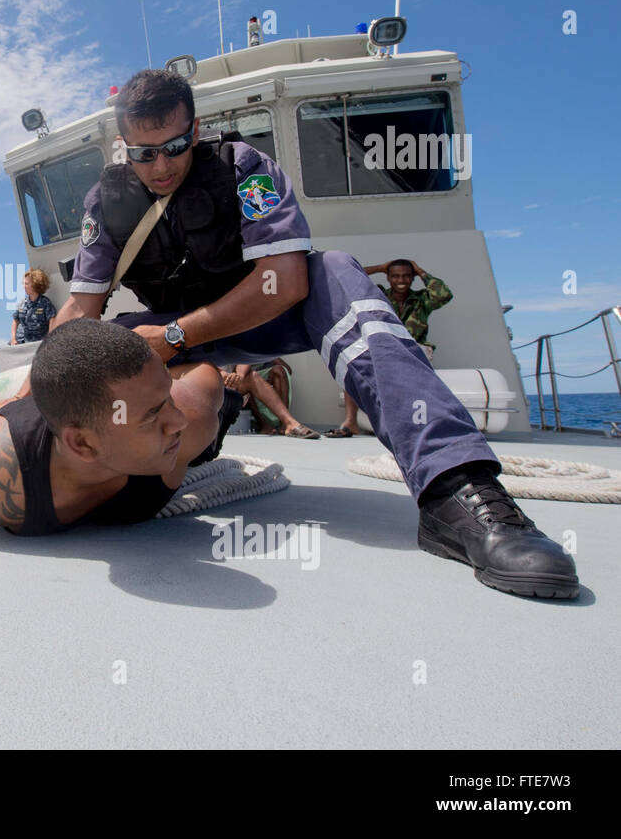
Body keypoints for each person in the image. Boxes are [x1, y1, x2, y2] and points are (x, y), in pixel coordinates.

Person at [52, 68, 578, 600]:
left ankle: (456, 486)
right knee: (93, 346)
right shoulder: (106, 201)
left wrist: (173, 339)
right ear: (125, 147)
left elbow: (283, 281)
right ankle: (123, 459)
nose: (161, 165)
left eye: (175, 145)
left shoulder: (246, 169)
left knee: (334, 270)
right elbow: (81, 305)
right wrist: (49, 375)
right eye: (144, 154)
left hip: (262, 317)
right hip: (173, 333)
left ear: (196, 127)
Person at [0, 319, 223, 534]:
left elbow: (206, 373)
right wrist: (4, 406)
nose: (179, 422)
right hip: (32, 409)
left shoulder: (192, 422)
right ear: (84, 444)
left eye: (167, 401)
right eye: (152, 416)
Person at [328, 259, 452, 437]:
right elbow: (350, 277)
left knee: (416, 379)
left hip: (413, 350)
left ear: (412, 278)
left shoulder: (422, 300)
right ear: (389, 278)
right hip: (383, 347)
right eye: (395, 276)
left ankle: (417, 424)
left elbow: (444, 294)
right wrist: (380, 268)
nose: (401, 280)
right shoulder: (379, 295)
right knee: (353, 366)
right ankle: (351, 422)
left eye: (406, 276)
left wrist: (420, 271)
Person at [222, 360, 319, 438]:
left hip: (231, 384)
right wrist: (224, 376)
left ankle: (289, 424)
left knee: (253, 376)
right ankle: (264, 425)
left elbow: (244, 359)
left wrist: (239, 376)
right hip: (213, 384)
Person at [10, 268, 56, 345]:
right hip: (20, 342)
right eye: (23, 283)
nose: (24, 286)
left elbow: (52, 321)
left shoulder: (45, 303)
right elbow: (15, 321)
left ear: (35, 284)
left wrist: (49, 340)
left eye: (27, 284)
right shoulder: (22, 303)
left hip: (37, 344)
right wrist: (13, 339)